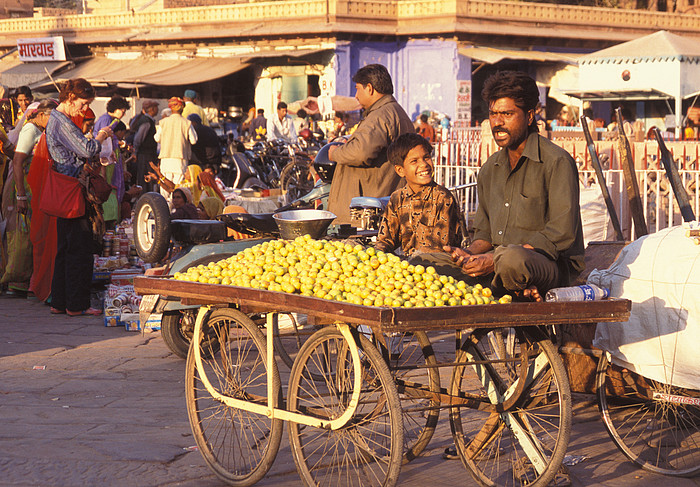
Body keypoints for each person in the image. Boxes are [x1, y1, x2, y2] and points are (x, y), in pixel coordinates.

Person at [444, 71, 584, 302]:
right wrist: (467, 255)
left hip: (546, 264)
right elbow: (485, 235)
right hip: (501, 262)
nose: (497, 122)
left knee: (512, 260)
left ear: (529, 116)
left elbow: (561, 233)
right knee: (427, 261)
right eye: (493, 114)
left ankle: (513, 279)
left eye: (507, 114)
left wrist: (494, 260)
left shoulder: (556, 161)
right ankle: (514, 283)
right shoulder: (490, 168)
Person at [46, 78, 113, 316]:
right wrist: (102, 136)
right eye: (83, 103)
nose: (84, 109)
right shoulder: (62, 122)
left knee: (65, 247)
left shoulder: (57, 119)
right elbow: (88, 149)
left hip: (65, 189)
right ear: (71, 98)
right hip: (73, 189)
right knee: (79, 247)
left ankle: (60, 301)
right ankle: (76, 304)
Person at [327, 63, 415, 224]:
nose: (355, 95)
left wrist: (335, 153)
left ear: (370, 88)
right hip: (383, 201)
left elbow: (360, 152)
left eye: (357, 88)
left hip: (367, 210)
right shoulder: (394, 111)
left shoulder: (380, 115)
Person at [375, 132, 464, 275]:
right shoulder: (397, 198)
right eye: (414, 161)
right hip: (408, 271)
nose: (424, 165)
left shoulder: (443, 198)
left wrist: (405, 264)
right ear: (400, 170)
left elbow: (438, 250)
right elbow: (385, 240)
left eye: (426, 157)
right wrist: (375, 256)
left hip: (439, 271)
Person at [0, 100, 56, 296]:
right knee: (21, 235)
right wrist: (21, 195)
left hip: (34, 189)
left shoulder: (40, 130)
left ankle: (29, 280)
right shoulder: (30, 130)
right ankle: (17, 281)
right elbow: (17, 161)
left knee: (32, 234)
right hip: (24, 189)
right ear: (41, 115)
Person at [154, 97, 197, 199]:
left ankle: (165, 211)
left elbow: (156, 138)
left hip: (166, 159)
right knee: (178, 188)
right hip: (180, 160)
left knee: (164, 188)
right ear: (182, 108)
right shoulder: (187, 123)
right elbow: (194, 140)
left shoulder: (163, 122)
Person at [129, 99, 159, 191]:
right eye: (156, 107)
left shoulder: (148, 120)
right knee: (146, 177)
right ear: (152, 109)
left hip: (147, 154)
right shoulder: (146, 121)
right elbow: (139, 138)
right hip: (145, 155)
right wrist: (135, 152)